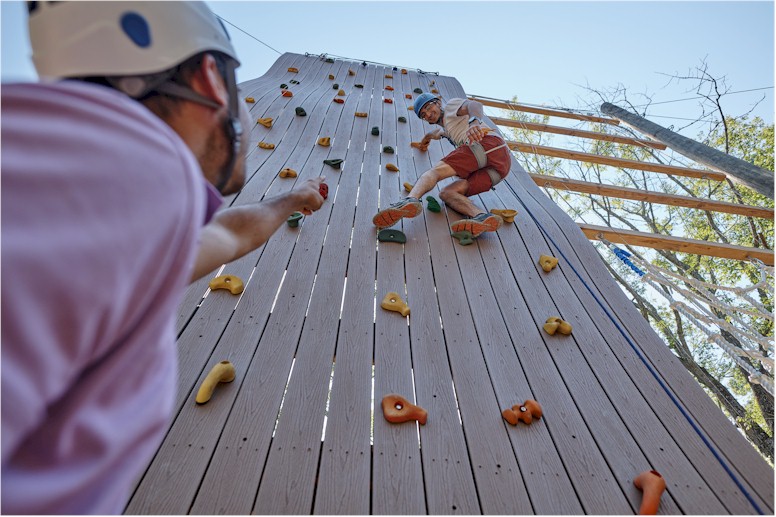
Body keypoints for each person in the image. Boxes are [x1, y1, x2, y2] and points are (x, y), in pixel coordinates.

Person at [1, 2, 324, 514]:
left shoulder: (124, 211)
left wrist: (291, 199)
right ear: (210, 79)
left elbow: (224, 238)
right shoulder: (136, 160)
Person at [372, 92, 511, 237]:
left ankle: (410, 200)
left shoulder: (452, 106)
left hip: (486, 143)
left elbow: (474, 105)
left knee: (434, 172)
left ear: (438, 102)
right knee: (447, 193)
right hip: (498, 170)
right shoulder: (447, 129)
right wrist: (425, 140)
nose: (428, 114)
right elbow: (436, 133)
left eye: (428, 107)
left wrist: (474, 123)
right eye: (423, 115)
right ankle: (482, 217)